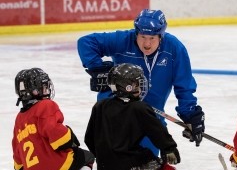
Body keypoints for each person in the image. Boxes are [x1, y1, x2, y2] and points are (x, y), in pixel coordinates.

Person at [77, 9, 205, 156]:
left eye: (152, 38)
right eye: (143, 37)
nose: (147, 44)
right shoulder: (123, 40)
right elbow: (86, 42)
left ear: (161, 36)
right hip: (116, 115)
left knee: (148, 165)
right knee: (116, 167)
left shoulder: (174, 48)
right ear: (136, 33)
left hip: (150, 119)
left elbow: (184, 85)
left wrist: (190, 114)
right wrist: (98, 69)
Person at [84, 63, 208, 170]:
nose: (140, 86)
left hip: (106, 164)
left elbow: (89, 138)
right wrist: (169, 148)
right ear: (127, 86)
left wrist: (104, 156)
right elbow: (157, 131)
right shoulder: (139, 107)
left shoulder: (100, 105)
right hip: (131, 159)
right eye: (136, 83)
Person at [12, 68, 107, 170]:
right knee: (87, 157)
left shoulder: (19, 119)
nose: (46, 90)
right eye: (43, 86)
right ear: (34, 91)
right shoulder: (45, 105)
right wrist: (70, 136)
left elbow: (18, 163)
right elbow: (60, 138)